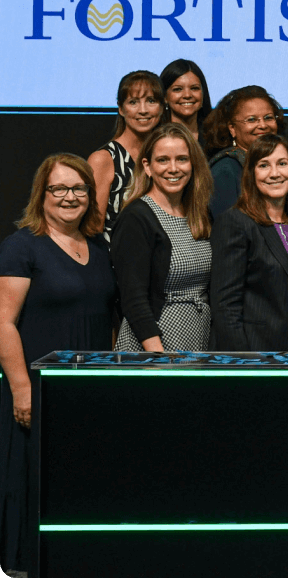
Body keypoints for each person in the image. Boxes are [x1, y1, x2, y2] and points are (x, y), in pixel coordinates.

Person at [0, 155, 114, 574]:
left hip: (86, 388)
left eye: (79, 188)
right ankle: (23, 564)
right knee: (34, 478)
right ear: (41, 194)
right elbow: (3, 323)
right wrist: (22, 388)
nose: (70, 197)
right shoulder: (22, 246)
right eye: (59, 189)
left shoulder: (99, 246)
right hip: (40, 387)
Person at [113, 123, 214, 352]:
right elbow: (133, 299)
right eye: (162, 160)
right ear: (147, 167)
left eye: (181, 159)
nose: (173, 168)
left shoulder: (200, 214)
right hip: (153, 346)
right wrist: (157, 356)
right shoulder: (136, 218)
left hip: (196, 338)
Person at [210, 135, 288, 351]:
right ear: (251, 174)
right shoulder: (236, 222)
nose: (275, 173)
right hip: (253, 353)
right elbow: (225, 306)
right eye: (264, 165)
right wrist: (243, 364)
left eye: (282, 164)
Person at [88, 70, 165, 243]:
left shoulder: (167, 156)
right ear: (121, 109)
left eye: (151, 101)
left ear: (161, 107)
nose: (143, 110)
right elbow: (93, 230)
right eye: (133, 102)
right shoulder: (104, 159)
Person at [201, 85, 285, 217]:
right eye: (252, 120)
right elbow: (228, 228)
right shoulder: (225, 170)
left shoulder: (284, 163)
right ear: (232, 128)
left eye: (268, 117)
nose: (263, 125)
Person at [159, 59, 211, 145]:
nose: (187, 95)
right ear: (165, 97)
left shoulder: (216, 138)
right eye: (178, 89)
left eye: (194, 88)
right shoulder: (154, 138)